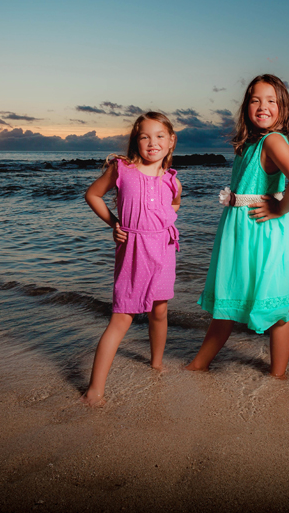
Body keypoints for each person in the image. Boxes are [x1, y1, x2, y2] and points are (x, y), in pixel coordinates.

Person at [186, 74, 289, 377]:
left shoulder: (272, 140)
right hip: (241, 233)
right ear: (246, 107)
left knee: (275, 310)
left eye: (271, 100)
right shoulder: (250, 145)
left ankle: (277, 375)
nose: (263, 106)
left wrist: (280, 206)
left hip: (264, 233)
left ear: (284, 108)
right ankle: (198, 365)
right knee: (229, 301)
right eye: (255, 100)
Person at [80, 112, 181, 406]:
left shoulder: (173, 180)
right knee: (122, 317)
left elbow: (174, 205)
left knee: (160, 310)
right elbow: (93, 195)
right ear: (135, 141)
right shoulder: (122, 169)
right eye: (144, 136)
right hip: (133, 250)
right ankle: (94, 392)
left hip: (163, 249)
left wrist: (165, 223)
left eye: (160, 136)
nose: (153, 142)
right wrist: (115, 224)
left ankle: (157, 364)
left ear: (171, 141)